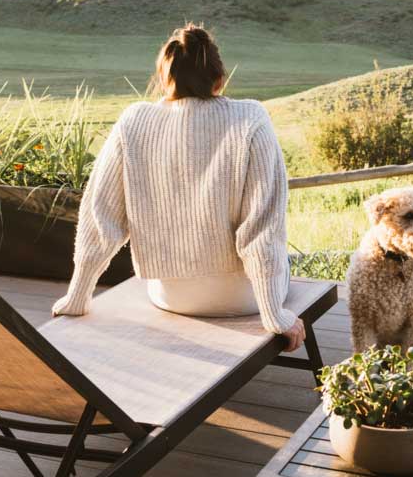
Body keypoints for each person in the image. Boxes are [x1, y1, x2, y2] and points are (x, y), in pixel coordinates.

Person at [51, 23, 306, 352]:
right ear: (220, 78)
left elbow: (100, 214)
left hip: (170, 295)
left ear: (164, 78)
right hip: (243, 298)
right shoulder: (251, 119)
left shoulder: (133, 120)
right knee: (281, 256)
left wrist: (77, 297)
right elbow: (262, 228)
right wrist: (275, 315)